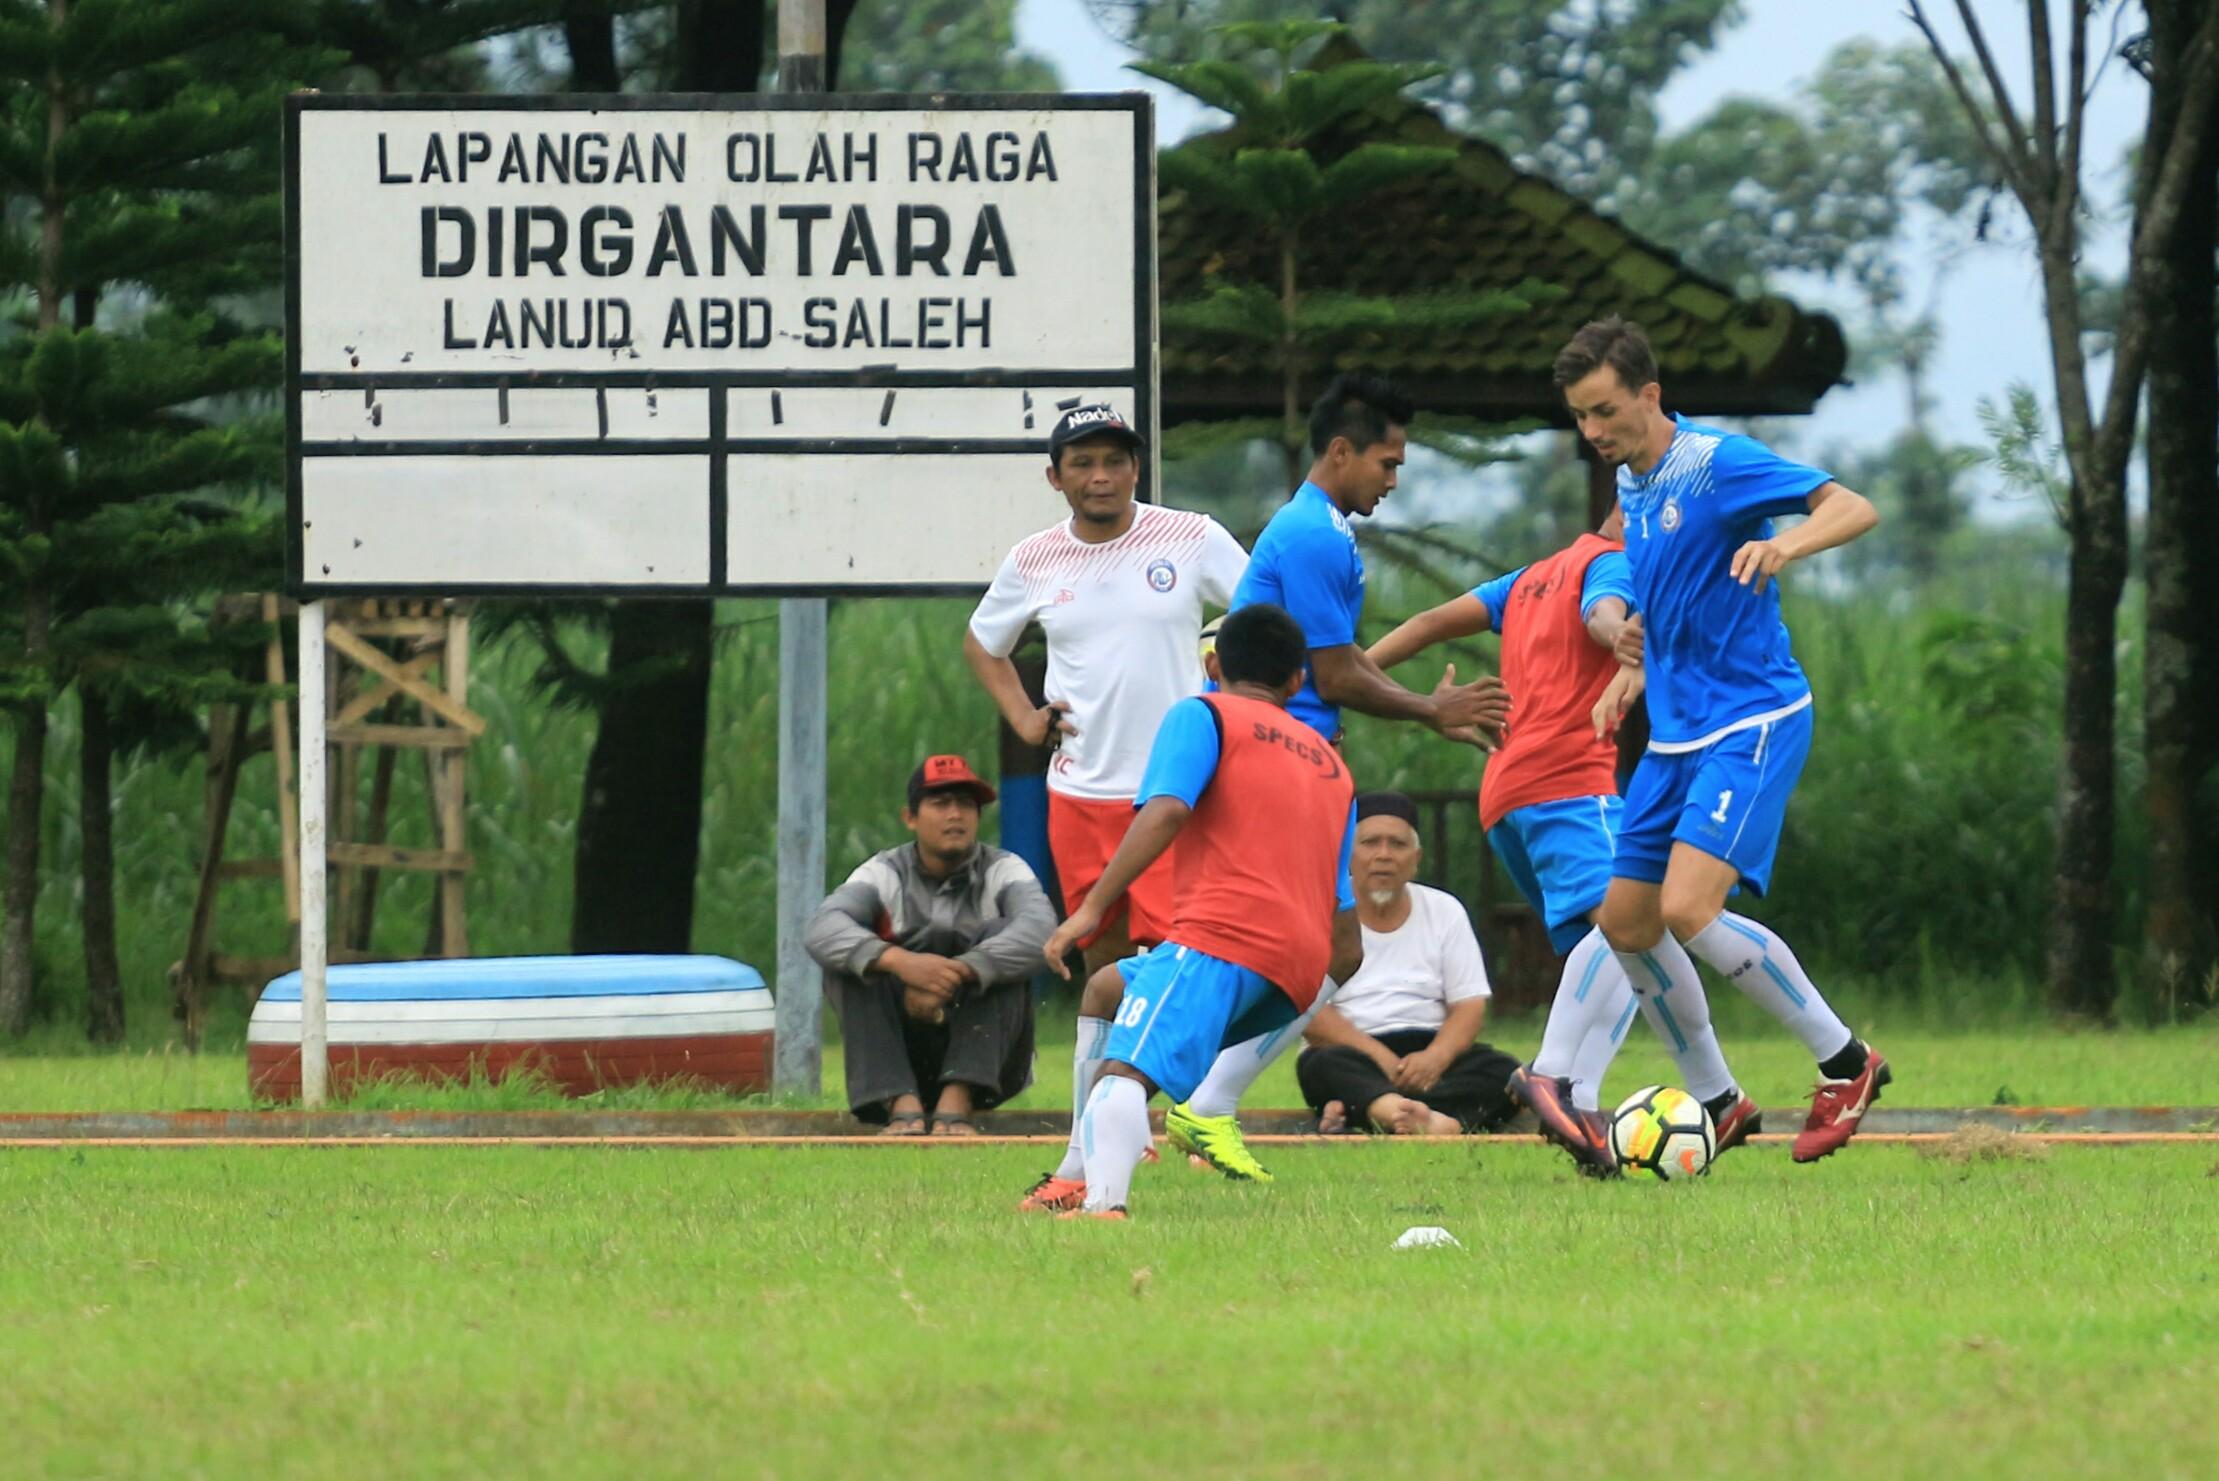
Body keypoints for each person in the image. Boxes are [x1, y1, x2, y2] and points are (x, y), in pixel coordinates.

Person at [1153, 372, 1513, 1184]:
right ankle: (1187, 1092)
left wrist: (1399, 698)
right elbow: (1339, 674)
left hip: (1302, 764)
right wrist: (1429, 709)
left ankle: (1197, 1095)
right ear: (1340, 451)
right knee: (1300, 948)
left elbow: (1336, 668)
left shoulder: (1319, 531)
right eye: (1386, 463)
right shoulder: (1313, 534)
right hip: (1275, 769)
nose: (1393, 480)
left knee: (1329, 951)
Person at [1560, 316, 1889, 1164]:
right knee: (1627, 921)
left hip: (1752, 717)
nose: (1594, 432)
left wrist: (1785, 543)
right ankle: (1718, 1097)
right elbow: (1667, 594)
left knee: (1687, 907)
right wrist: (1629, 671)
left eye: (1605, 411)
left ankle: (1844, 1062)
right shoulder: (1632, 486)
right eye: (1581, 418)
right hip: (1675, 732)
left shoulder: (1717, 462)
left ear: (1649, 394)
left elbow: (1852, 506)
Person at [1368, 511, 1763, 1173]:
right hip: (1570, 785)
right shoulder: (1613, 564)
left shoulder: (1526, 579)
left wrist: (1349, 680)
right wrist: (1622, 640)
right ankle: (1557, 1078)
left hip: (1506, 796)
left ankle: (1653, 1099)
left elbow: (1427, 622)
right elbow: (1602, 613)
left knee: (1634, 951)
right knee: (1627, 925)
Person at [966, 404, 1253, 1201]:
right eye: (1082, 462)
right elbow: (982, 643)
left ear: (1136, 468)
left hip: (1170, 792)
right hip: (1077, 789)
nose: (1101, 476)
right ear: (1055, 475)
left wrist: (1224, 672)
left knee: (1169, 961)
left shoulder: (1188, 536)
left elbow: (1262, 609)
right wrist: (1024, 717)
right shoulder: (1034, 557)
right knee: (1101, 959)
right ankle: (1122, 1131)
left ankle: (1149, 1124)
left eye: (1115, 461)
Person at [1034, 603, 1361, 1219]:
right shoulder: (1331, 765)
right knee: (1106, 991)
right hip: (1292, 968)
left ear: (1213, 665)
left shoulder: (1202, 713)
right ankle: (1072, 1173)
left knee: (1123, 1073)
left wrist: (1090, 911)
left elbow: (1165, 811)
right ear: (1297, 681)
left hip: (1220, 941)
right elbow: (1345, 921)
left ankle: (1104, 1207)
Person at [804, 755, 1055, 1136]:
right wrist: (900, 963)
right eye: (940, 803)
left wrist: (960, 972)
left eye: (966, 804)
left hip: (990, 1063)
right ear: (910, 818)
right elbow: (823, 927)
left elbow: (1041, 931)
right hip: (901, 1048)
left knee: (1003, 942)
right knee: (850, 960)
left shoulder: (1005, 869)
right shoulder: (883, 872)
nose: (955, 814)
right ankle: (901, 1104)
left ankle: (958, 1101)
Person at [1294, 793, 1520, 1135]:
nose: (1384, 855)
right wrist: (1379, 1057)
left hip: (1430, 1053)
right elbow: (1309, 1012)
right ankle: (1429, 1118)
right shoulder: (1321, 913)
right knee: (1320, 1066)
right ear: (1347, 857)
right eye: (1370, 843)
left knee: (1508, 1074)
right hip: (1353, 1051)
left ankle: (1375, 1111)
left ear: (1415, 859)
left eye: (1397, 844)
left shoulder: (1445, 911)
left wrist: (1435, 1059)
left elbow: (1470, 1007)